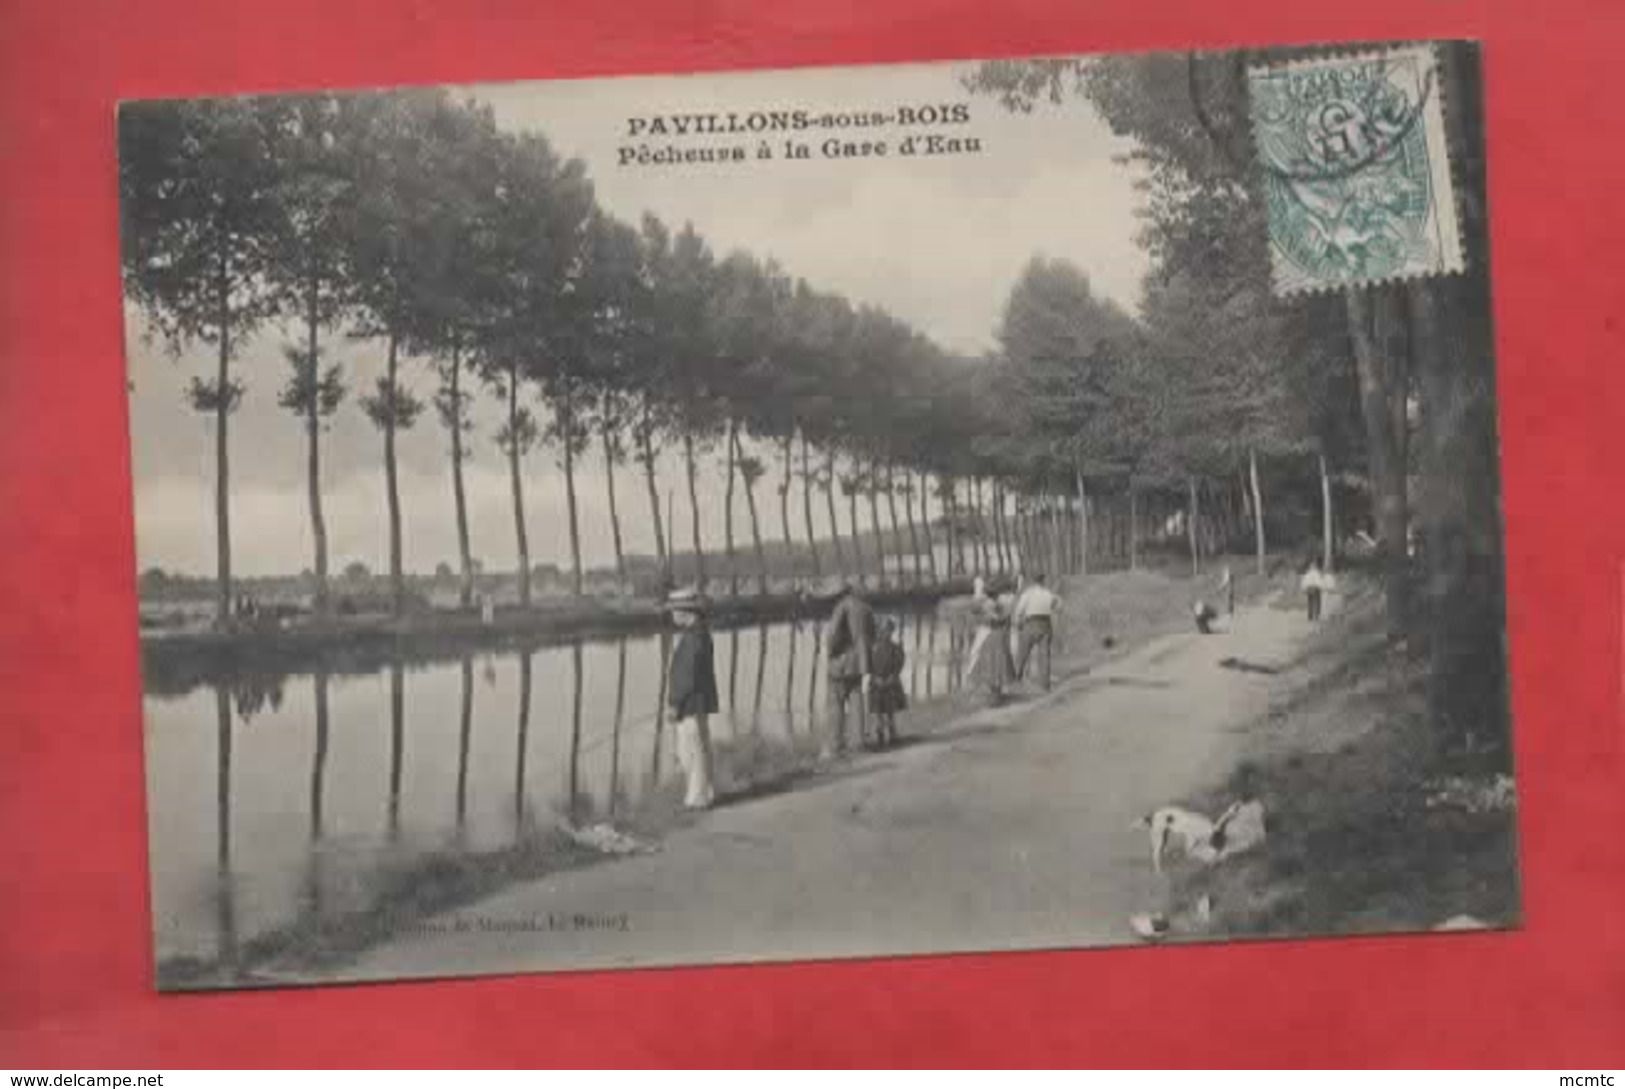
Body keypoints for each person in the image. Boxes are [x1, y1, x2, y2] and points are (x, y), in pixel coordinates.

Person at [665, 588, 718, 809]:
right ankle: (702, 795)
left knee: (691, 753)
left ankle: (697, 799)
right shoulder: (699, 633)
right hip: (696, 703)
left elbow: (687, 674)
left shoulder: (693, 637)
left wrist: (674, 703)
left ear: (686, 611)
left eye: (674, 611)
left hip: (690, 704)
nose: (672, 615)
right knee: (696, 750)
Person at [823, 580, 876, 758]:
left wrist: (831, 653)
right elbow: (873, 637)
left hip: (841, 664)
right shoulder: (866, 608)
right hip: (860, 663)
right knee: (856, 700)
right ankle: (858, 742)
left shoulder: (841, 607)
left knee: (835, 702)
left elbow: (832, 636)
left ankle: (835, 746)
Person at [965, 576, 1016, 706]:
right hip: (998, 635)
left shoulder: (988, 604)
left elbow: (977, 612)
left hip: (991, 635)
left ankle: (994, 695)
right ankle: (996, 694)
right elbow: (1003, 618)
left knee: (991, 664)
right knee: (998, 664)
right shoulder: (1000, 604)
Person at [1013, 572, 1062, 691]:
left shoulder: (1027, 594)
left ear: (1032, 581)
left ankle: (1015, 680)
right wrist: (1055, 599)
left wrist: (1018, 624)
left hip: (1030, 624)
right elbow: (1058, 606)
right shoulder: (1048, 593)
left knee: (1022, 654)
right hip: (1045, 624)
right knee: (1044, 656)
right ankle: (1045, 685)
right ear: (1043, 581)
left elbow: (1019, 611)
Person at [868, 616, 908, 747]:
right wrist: (874, 677)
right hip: (876, 682)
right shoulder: (872, 647)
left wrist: (893, 676)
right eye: (883, 630)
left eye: (888, 630)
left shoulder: (896, 648)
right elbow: (868, 665)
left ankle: (893, 733)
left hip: (891, 683)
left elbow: (899, 663)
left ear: (892, 632)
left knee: (890, 710)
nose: (885, 633)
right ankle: (879, 732)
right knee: (878, 710)